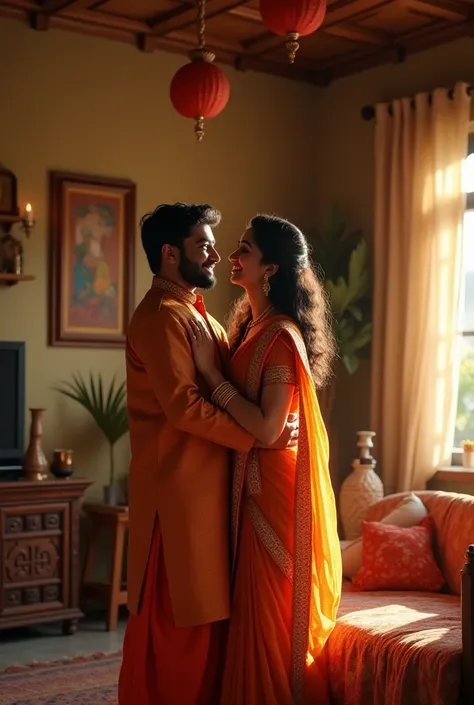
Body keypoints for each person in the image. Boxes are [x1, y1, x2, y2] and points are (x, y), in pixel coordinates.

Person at [118, 203, 298, 705]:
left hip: (209, 489)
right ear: (170, 254)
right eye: (203, 245)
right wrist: (259, 437)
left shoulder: (196, 313)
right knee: (177, 630)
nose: (217, 254)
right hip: (178, 495)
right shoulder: (161, 317)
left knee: (206, 626)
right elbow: (183, 407)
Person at [187, 213, 342, 705]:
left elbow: (270, 429)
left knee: (267, 620)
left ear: (270, 268)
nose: (233, 257)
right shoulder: (251, 328)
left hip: (273, 496)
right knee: (247, 615)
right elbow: (259, 425)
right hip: (248, 485)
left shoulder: (280, 338)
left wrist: (212, 377)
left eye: (245, 249)